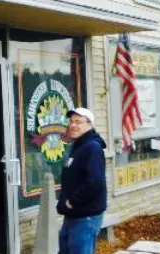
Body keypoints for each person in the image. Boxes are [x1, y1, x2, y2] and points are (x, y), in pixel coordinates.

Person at [56, 107, 107, 254]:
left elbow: (95, 183)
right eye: (71, 121)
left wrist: (72, 200)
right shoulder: (79, 145)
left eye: (78, 122)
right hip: (73, 216)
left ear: (90, 125)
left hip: (85, 218)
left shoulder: (92, 147)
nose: (73, 125)